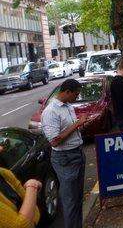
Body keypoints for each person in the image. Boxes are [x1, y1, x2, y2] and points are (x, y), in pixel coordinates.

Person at [41, 79, 87, 228]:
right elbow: (54, 141)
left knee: (78, 197)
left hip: (77, 153)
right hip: (65, 158)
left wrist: (80, 127)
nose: (77, 97)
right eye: (76, 94)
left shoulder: (68, 106)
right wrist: (77, 124)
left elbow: (70, 130)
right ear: (67, 92)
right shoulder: (50, 111)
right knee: (70, 201)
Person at [0, 145, 41, 228]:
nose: (1, 148)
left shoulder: (4, 173)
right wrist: (32, 186)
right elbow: (22, 225)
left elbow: (35, 212)